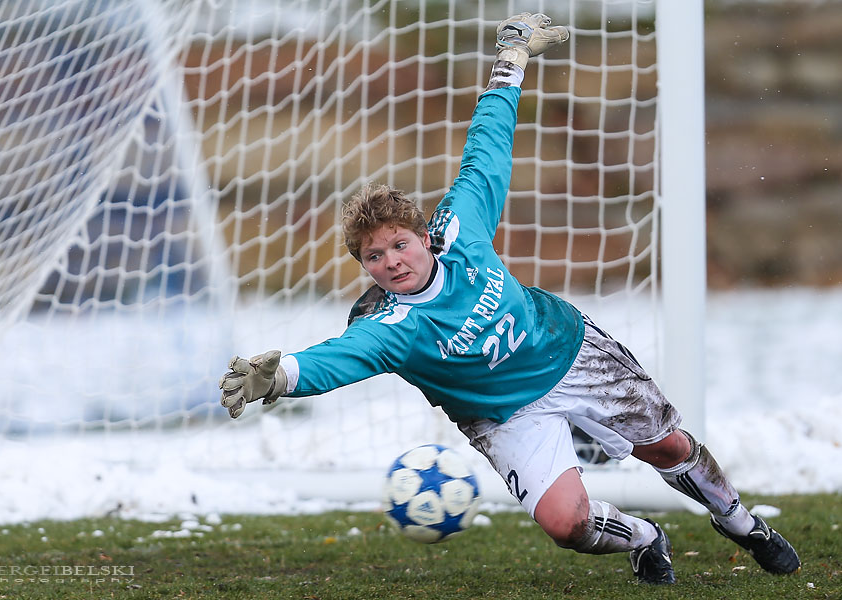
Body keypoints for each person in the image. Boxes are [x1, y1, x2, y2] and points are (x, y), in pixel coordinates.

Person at [218, 13, 801, 584]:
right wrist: (280, 375)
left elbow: (487, 148)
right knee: (567, 525)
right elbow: (337, 359)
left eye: (399, 245)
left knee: (669, 446)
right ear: (363, 267)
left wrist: (512, 59)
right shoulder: (389, 325)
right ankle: (646, 537)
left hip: (568, 351)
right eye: (375, 257)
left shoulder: (461, 229)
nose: (391, 261)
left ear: (424, 238)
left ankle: (741, 522)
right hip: (503, 415)